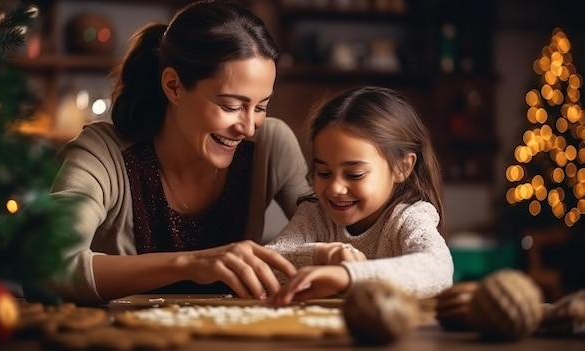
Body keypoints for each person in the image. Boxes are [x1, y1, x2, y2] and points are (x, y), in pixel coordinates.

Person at [42, 0, 311, 305]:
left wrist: (325, 249)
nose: (249, 127)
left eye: (261, 107)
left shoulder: (269, 144)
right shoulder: (103, 154)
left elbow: (325, 230)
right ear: (173, 86)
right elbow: (46, 266)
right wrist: (191, 263)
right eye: (231, 106)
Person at [266, 86, 454, 306]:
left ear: (402, 167)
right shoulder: (314, 214)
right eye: (324, 173)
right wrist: (319, 255)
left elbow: (438, 269)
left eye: (354, 174)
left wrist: (350, 276)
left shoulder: (408, 217)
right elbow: (266, 264)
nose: (335, 188)